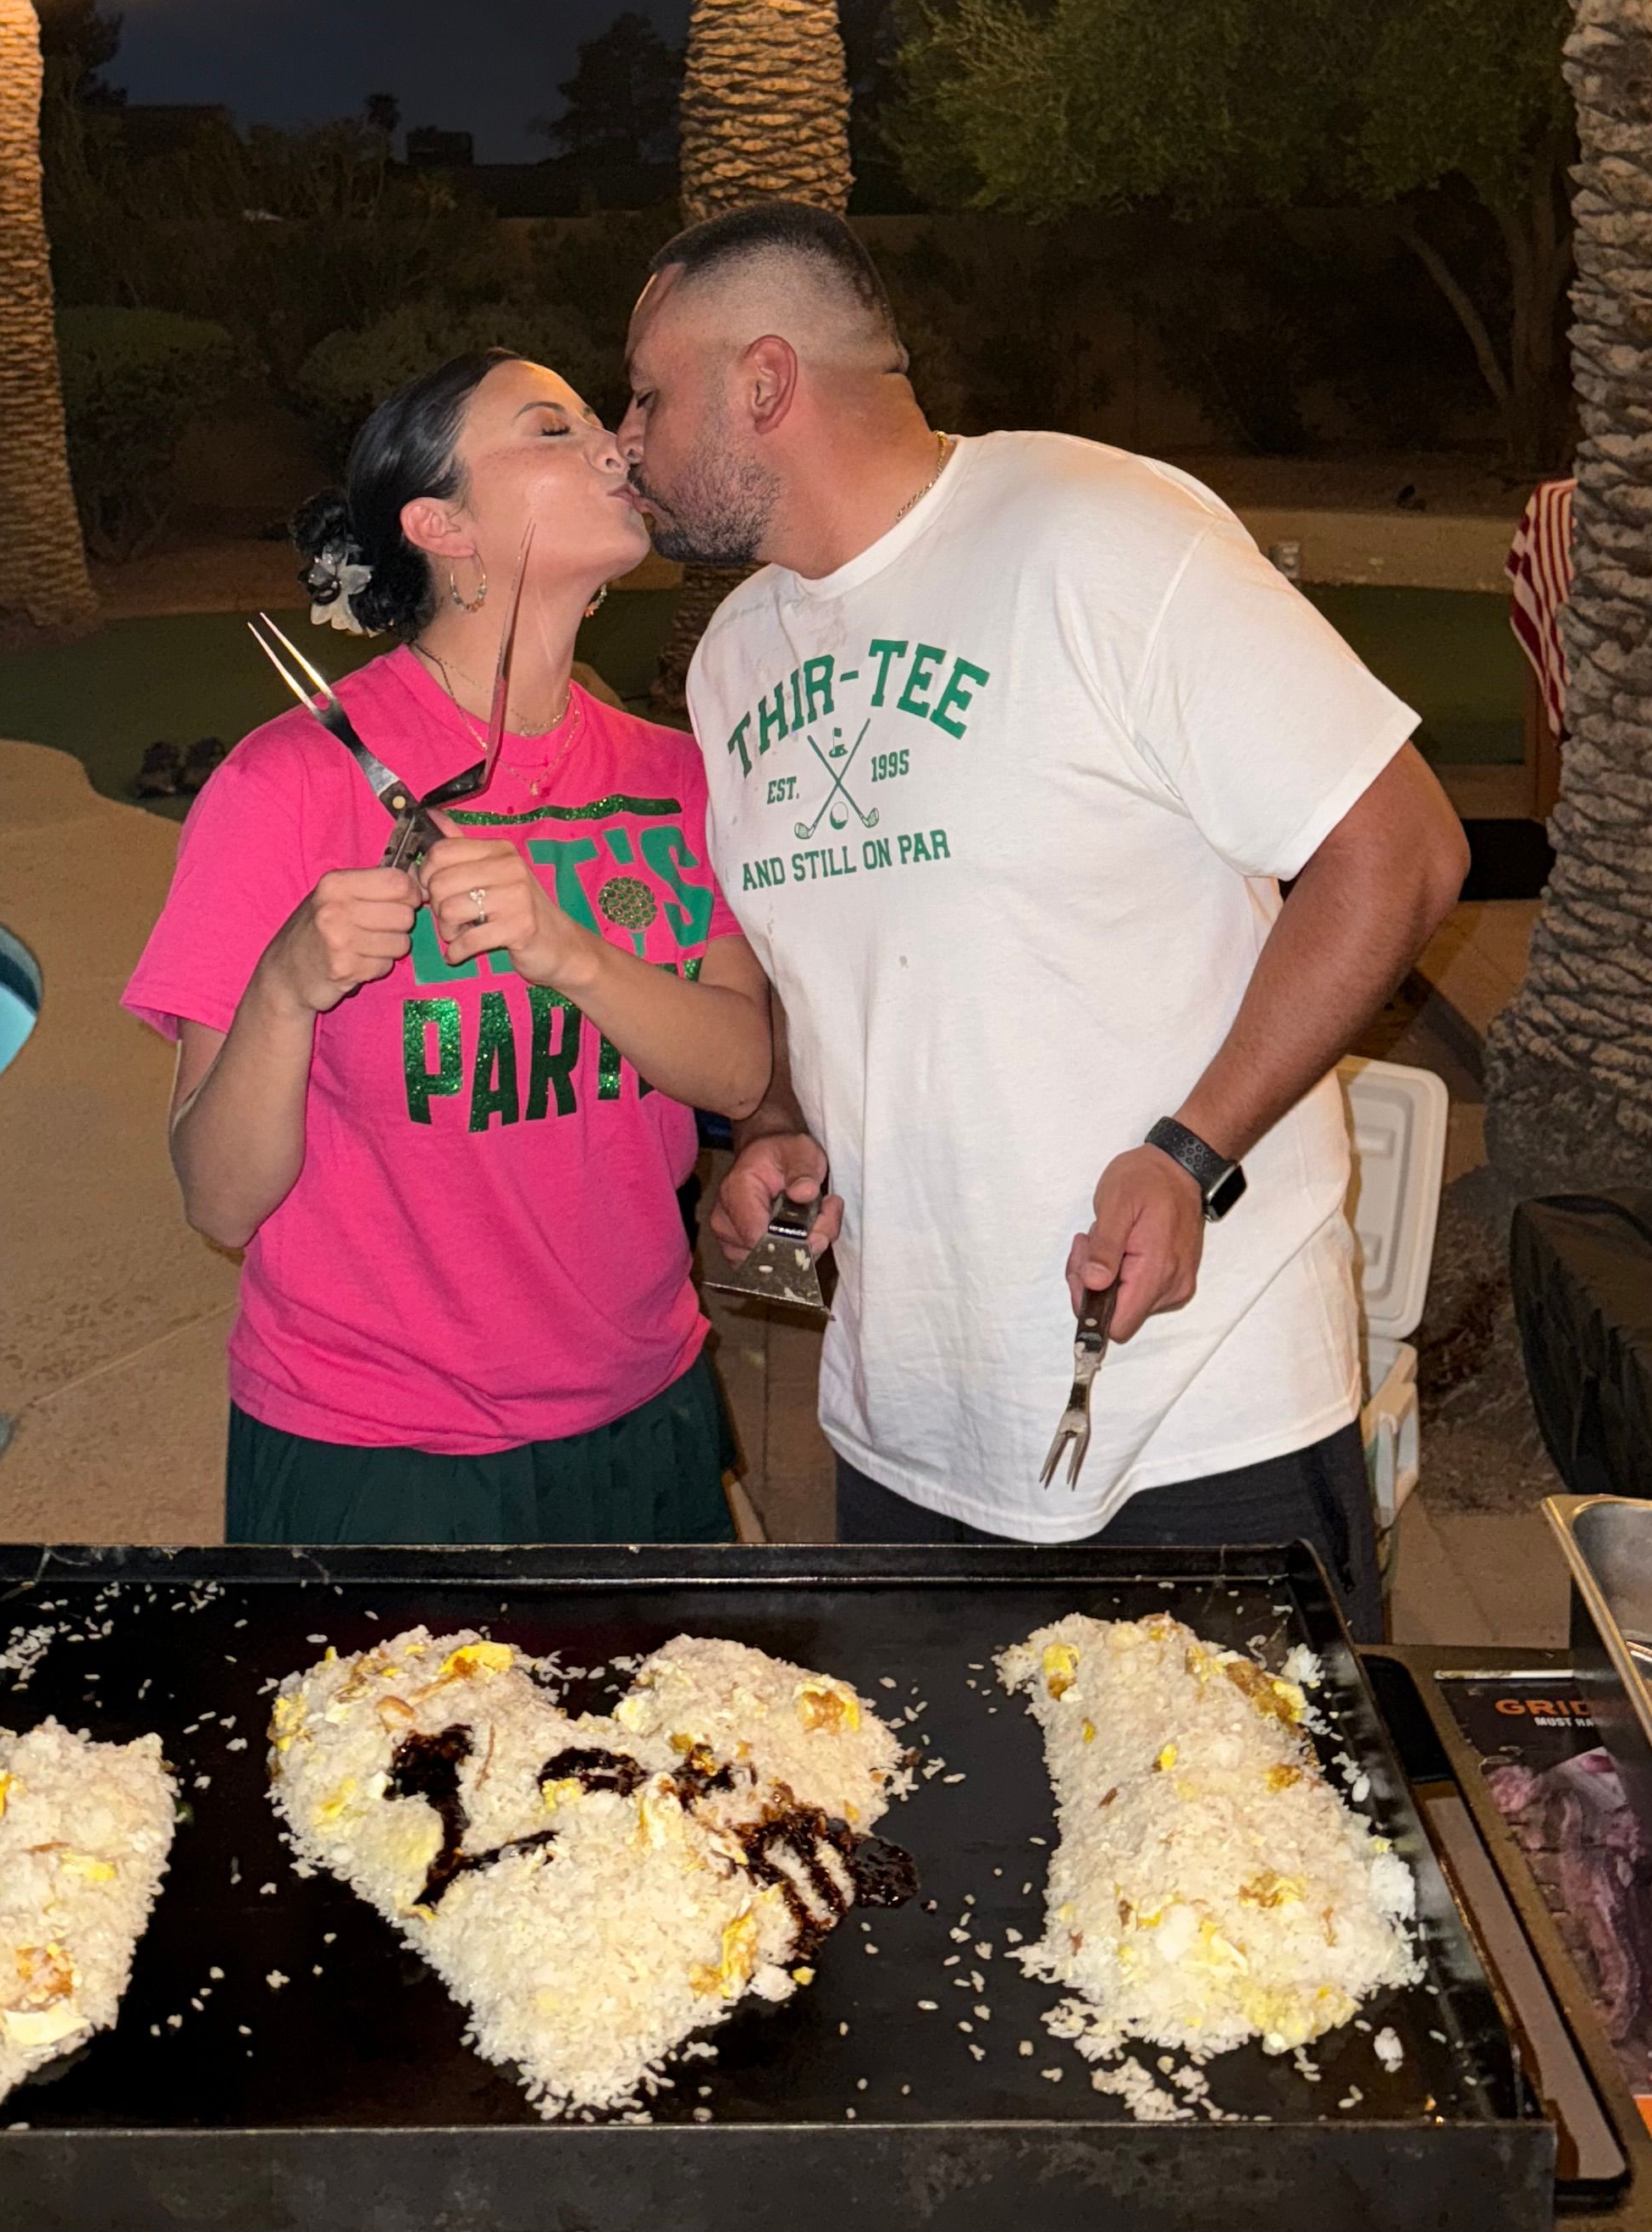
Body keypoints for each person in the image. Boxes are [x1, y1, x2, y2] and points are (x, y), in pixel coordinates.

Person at [620, 207, 1470, 1630]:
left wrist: (1188, 1152)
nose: (626, 438)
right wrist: (773, 1134)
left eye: (648, 394)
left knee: (1241, 1855)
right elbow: (806, 977)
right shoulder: (733, 658)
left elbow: (1399, 849)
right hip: (904, 1430)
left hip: (1198, 1418)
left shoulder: (1093, 533)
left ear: (762, 384)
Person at [124, 351, 772, 1543]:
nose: (612, 447)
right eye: (550, 428)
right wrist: (284, 988)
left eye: (598, 421)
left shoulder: (673, 776)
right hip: (375, 1450)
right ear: (441, 525)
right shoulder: (285, 785)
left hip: (643, 1407)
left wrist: (571, 951)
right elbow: (219, 1200)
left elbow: (736, 1071)